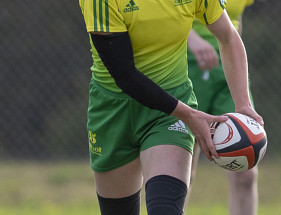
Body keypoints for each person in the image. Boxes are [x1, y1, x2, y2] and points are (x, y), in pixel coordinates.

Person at [78, 0, 263, 214]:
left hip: (168, 111)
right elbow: (124, 75)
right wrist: (189, 115)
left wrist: (243, 105)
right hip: (113, 110)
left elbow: (228, 37)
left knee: (166, 209)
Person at [185, 1, 258, 215]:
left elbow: (234, 23)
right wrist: (193, 39)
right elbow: (160, 12)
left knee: (246, 172)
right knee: (181, 173)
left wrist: (235, 64)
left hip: (226, 73)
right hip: (184, 66)